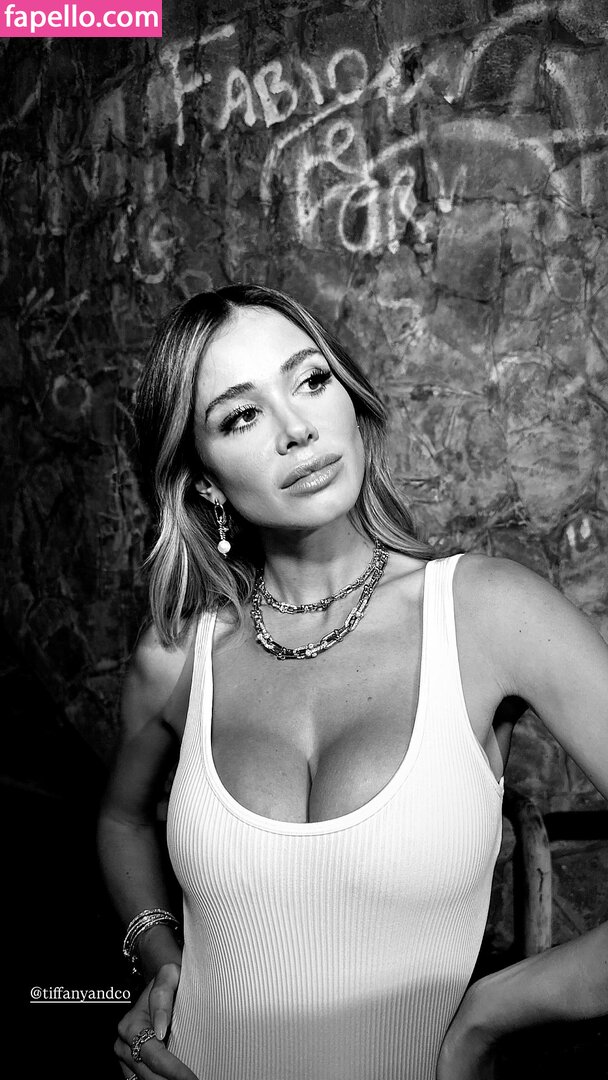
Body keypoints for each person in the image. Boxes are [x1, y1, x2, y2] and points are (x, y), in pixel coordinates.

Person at [97, 284, 608, 1080]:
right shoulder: (177, 658)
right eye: (242, 415)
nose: (297, 428)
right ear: (203, 480)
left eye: (310, 379)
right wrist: (160, 960)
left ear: (348, 396)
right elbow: (120, 820)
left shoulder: (486, 613)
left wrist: (492, 1012)